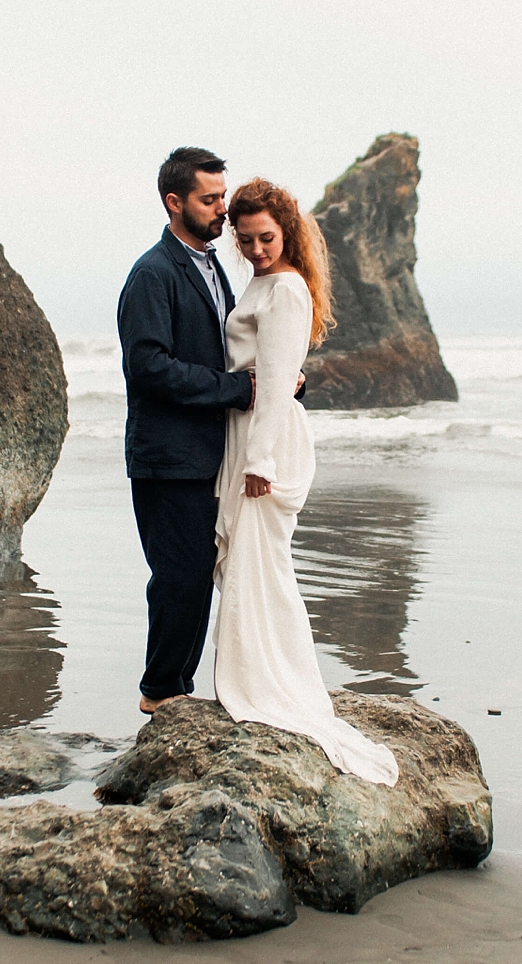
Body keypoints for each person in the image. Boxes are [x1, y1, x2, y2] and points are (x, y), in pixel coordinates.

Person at [212, 179, 399, 785]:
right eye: (247, 240)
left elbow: (275, 385)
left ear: (286, 230)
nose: (258, 248)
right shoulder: (260, 282)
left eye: (267, 237)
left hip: (265, 445)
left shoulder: (287, 290)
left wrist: (260, 462)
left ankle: (276, 683)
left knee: (262, 567)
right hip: (246, 436)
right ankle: (255, 674)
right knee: (250, 565)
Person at [118, 148, 252, 714]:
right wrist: (236, 390)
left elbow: (226, 346)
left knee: (196, 574)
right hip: (167, 457)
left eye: (223, 195)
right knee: (179, 576)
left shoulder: (211, 263)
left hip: (206, 454)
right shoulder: (152, 273)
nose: (224, 208)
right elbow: (148, 367)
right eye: (210, 198)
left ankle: (175, 687)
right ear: (175, 203)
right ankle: (160, 692)